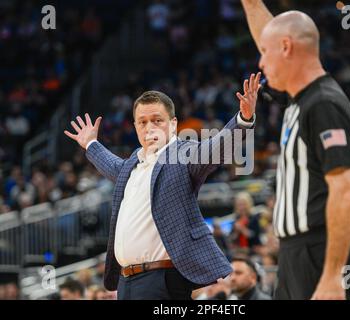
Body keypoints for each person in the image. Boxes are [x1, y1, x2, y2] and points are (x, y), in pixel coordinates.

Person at [64, 74, 261, 300]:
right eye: (142, 122)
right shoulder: (132, 166)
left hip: (162, 280)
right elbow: (110, 165)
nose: (149, 128)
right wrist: (91, 143)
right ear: (136, 127)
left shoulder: (183, 154)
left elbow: (215, 149)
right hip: (126, 281)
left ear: (173, 124)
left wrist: (243, 119)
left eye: (157, 120)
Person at [241, 1, 350, 299]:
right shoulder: (300, 100)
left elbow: (344, 190)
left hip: (323, 252)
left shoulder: (323, 103)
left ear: (286, 48)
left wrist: (333, 275)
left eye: (264, 52)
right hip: (296, 254)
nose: (260, 63)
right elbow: (269, 32)